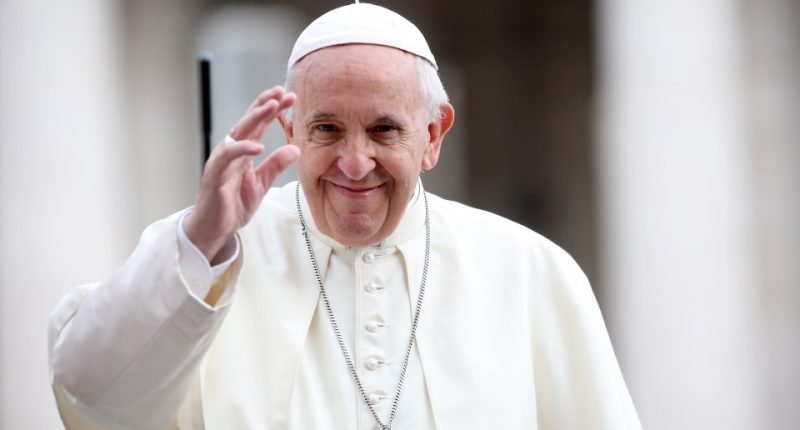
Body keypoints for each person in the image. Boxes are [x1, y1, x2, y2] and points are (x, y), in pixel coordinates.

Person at [48, 3, 642, 429]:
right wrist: (201, 241)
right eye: (327, 128)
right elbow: (94, 397)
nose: (355, 164)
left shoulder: (529, 270)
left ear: (433, 135)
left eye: (385, 129)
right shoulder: (201, 255)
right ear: (290, 130)